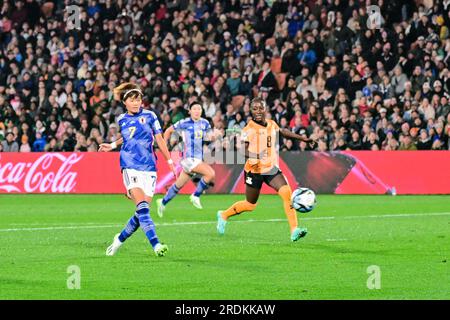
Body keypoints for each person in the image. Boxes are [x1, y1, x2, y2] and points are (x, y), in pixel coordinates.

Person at [216, 97, 314, 241]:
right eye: (254, 109)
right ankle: (224, 215)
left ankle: (294, 230)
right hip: (254, 171)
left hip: (270, 169)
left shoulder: (271, 124)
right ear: (250, 111)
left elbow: (283, 132)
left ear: (265, 109)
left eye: (260, 108)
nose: (258, 111)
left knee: (287, 193)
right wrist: (257, 155)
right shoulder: (248, 129)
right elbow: (242, 150)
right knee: (250, 205)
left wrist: (303, 138)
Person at [98, 82, 176, 257]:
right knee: (143, 208)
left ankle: (119, 239)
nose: (136, 103)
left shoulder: (150, 116)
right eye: (132, 100)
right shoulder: (122, 119)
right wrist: (112, 145)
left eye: (138, 99)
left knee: (141, 214)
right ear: (125, 102)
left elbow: (160, 139)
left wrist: (169, 160)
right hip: (129, 165)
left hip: (149, 167)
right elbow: (127, 138)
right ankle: (156, 245)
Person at [157, 102, 217, 215]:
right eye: (194, 108)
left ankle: (163, 202)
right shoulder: (184, 122)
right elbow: (168, 130)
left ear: (201, 111)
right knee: (210, 174)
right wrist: (164, 144)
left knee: (178, 185)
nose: (197, 111)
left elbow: (209, 137)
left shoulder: (205, 123)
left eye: (199, 108)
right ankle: (195, 195)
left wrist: (213, 136)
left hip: (198, 159)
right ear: (190, 111)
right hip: (189, 159)